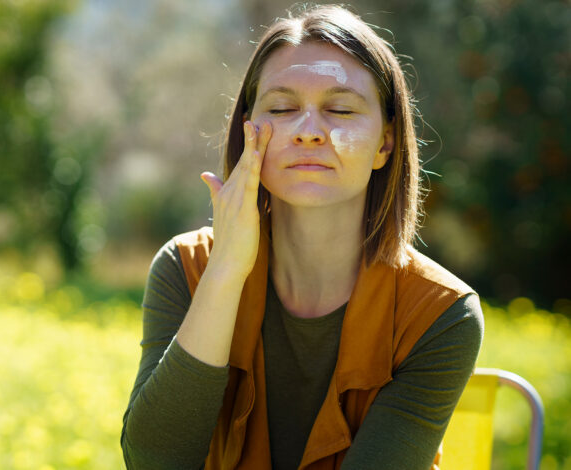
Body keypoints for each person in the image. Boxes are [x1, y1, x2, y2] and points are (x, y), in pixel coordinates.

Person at [121, 5, 484, 470]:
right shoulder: (185, 267)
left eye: (340, 109)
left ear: (385, 144)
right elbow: (154, 461)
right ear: (249, 129)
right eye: (282, 108)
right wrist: (226, 271)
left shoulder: (440, 315)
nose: (310, 131)